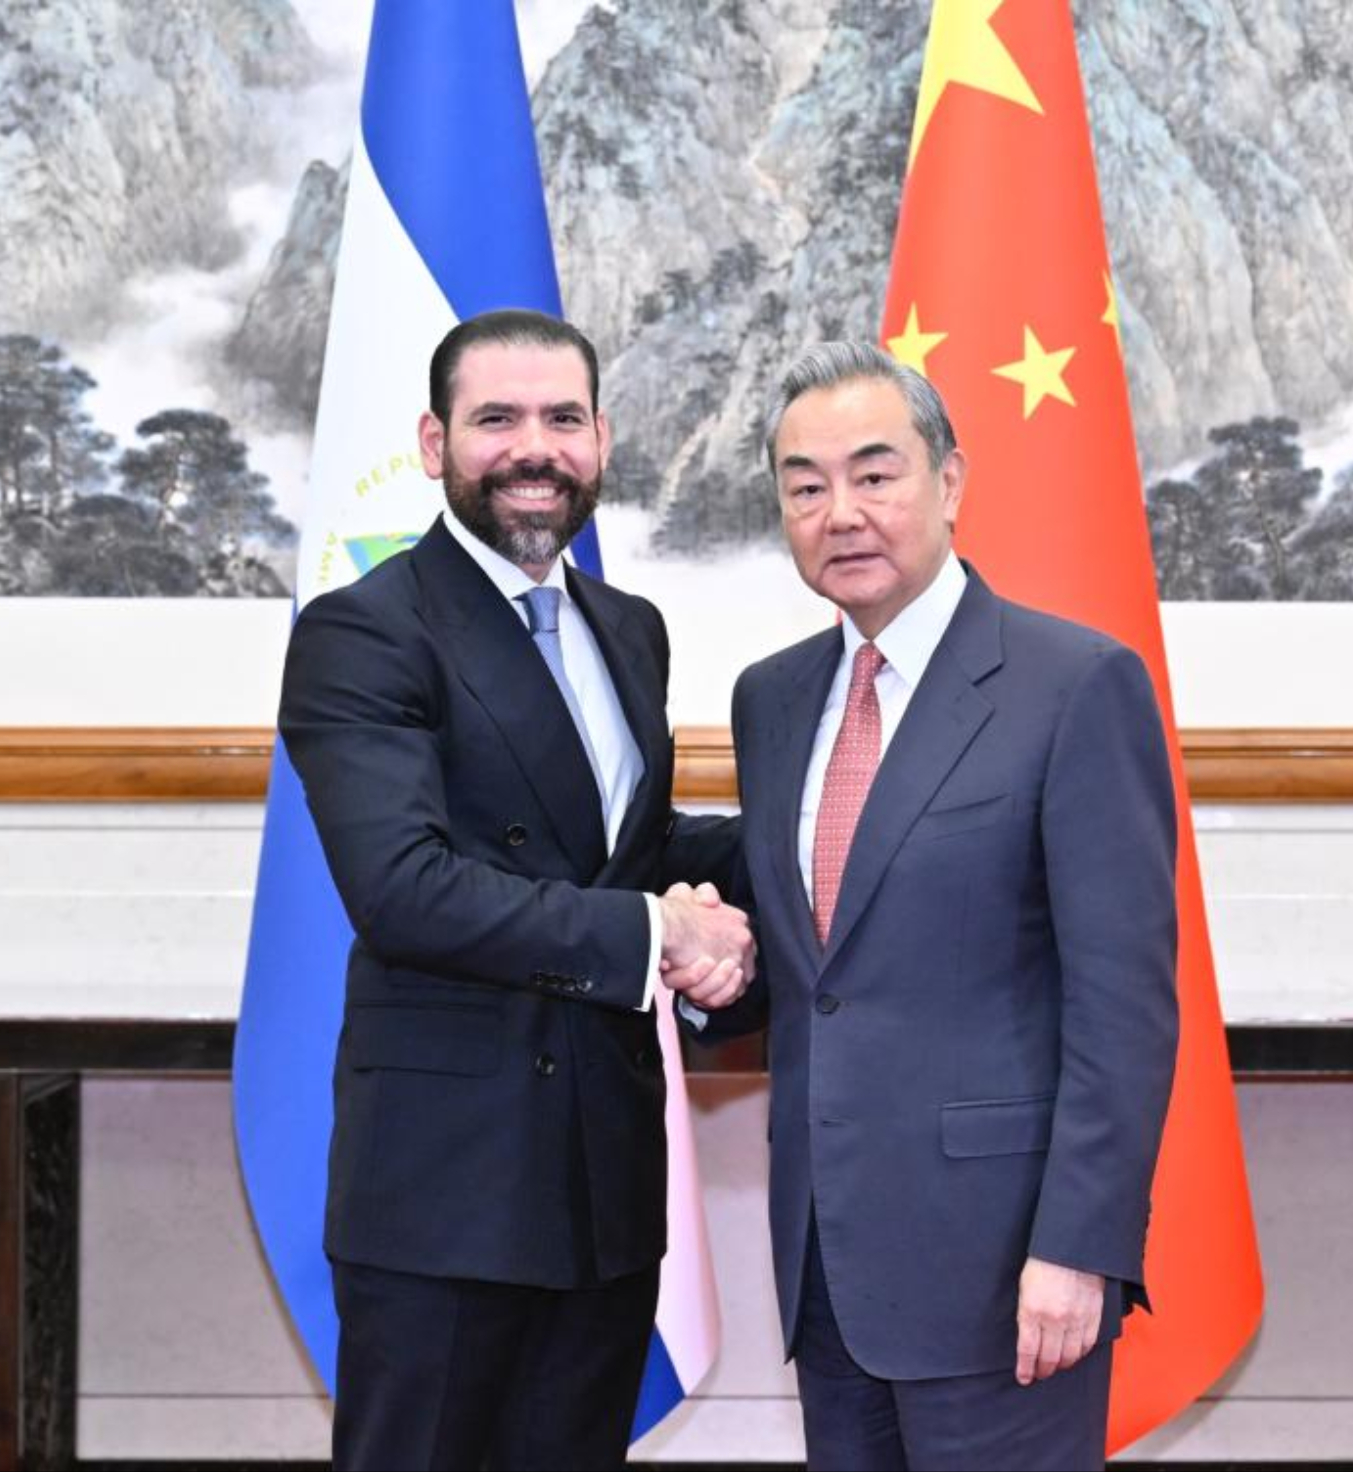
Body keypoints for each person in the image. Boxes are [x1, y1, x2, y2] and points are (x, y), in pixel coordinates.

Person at [279, 308, 753, 1471]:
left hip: (601, 1191)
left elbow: (615, 848)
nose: (531, 448)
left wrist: (821, 843)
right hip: (446, 1192)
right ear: (435, 443)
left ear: (599, 440)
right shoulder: (364, 631)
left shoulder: (628, 629)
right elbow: (406, 885)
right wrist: (660, 929)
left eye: (561, 418)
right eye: (496, 419)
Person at [719, 342, 1179, 1470]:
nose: (842, 513)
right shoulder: (771, 700)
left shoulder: (1073, 684)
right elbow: (815, 969)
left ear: (951, 483)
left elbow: (1123, 1004)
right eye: (805, 484)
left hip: (1004, 1278)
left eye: (875, 474)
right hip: (826, 1269)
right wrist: (699, 974)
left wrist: (1078, 1246)